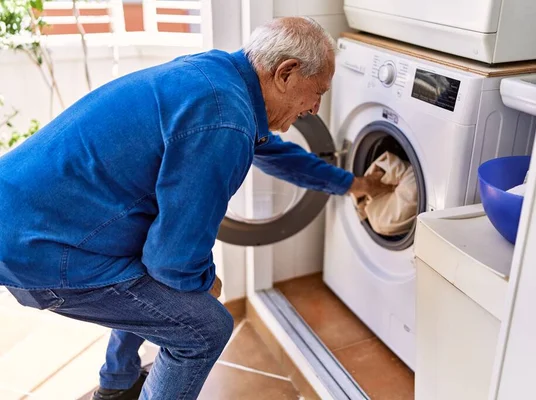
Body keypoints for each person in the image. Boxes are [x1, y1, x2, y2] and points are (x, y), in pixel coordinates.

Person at [0, 17, 392, 399]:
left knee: (150, 276)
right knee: (204, 328)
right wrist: (203, 282)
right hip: (40, 249)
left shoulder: (217, 77)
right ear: (286, 72)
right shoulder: (225, 121)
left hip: (19, 212)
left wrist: (356, 184)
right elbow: (172, 261)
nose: (315, 109)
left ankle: (117, 384)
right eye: (317, 92)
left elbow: (279, 155)